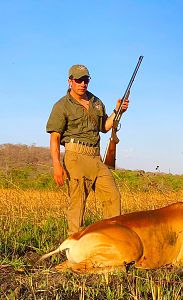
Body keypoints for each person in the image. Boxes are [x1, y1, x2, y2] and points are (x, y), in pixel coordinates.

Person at [46, 64, 129, 235]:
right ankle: (74, 246)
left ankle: (112, 240)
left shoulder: (96, 102)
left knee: (113, 197)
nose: (83, 84)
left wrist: (117, 111)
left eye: (86, 80)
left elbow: (105, 127)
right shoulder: (61, 105)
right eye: (78, 80)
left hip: (96, 158)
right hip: (75, 156)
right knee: (77, 203)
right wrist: (56, 165)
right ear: (70, 81)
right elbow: (54, 137)